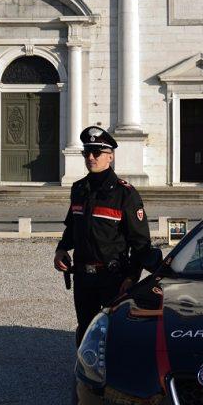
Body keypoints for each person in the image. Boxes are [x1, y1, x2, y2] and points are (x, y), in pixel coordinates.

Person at [54, 126, 152, 345]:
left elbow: (140, 242)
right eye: (86, 152)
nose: (90, 157)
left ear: (110, 156)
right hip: (83, 277)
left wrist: (132, 277)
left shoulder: (125, 194)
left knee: (115, 333)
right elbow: (72, 226)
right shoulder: (79, 189)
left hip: (113, 278)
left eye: (96, 153)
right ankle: (86, 366)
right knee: (86, 330)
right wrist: (61, 249)